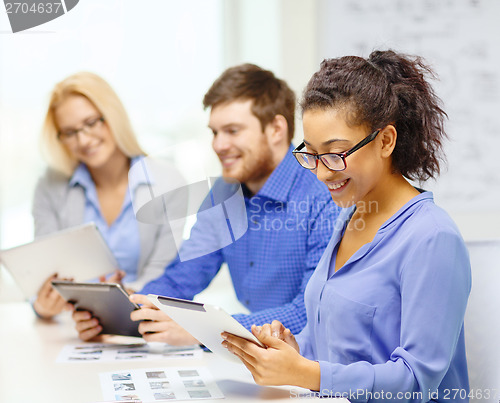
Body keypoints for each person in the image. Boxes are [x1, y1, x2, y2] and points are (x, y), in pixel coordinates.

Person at [221, 50, 471, 401]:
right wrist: (295, 350)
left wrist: (307, 373)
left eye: (336, 153)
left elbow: (418, 381)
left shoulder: (432, 238)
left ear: (385, 141)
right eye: (311, 153)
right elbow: (334, 342)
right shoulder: (349, 216)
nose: (322, 172)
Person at [73, 64, 341, 343]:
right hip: (263, 360)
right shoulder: (224, 193)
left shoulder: (325, 194)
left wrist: (204, 330)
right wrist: (122, 311)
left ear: (275, 129)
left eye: (232, 131)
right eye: (215, 132)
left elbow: (311, 313)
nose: (219, 145)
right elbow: (183, 277)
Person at [32, 72, 185, 319]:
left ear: (113, 116)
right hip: (72, 325)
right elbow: (43, 271)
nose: (83, 139)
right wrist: (41, 307)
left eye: (91, 122)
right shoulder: (50, 185)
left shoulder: (168, 181)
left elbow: (163, 271)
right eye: (69, 132)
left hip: (142, 318)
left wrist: (120, 301)